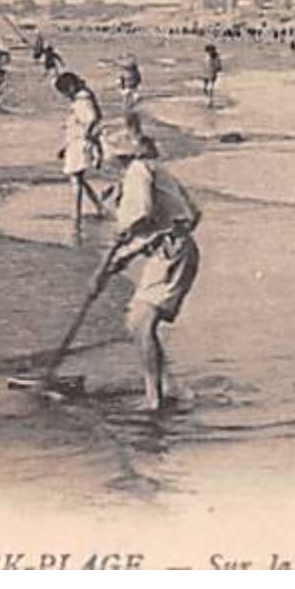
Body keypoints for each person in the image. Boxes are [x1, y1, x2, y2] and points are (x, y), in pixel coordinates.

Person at [92, 124, 202, 412]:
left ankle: (154, 397)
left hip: (171, 252)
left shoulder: (139, 172)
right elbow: (192, 213)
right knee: (136, 322)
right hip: (176, 249)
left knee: (141, 322)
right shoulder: (151, 169)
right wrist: (120, 258)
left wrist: (123, 241)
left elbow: (141, 215)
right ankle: (170, 387)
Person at [54, 71, 108, 228]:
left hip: (79, 143)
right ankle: (98, 206)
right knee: (79, 179)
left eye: (64, 92)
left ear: (70, 88)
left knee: (75, 178)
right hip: (76, 143)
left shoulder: (81, 101)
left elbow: (91, 118)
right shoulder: (84, 98)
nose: (64, 96)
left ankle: (77, 213)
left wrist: (86, 134)